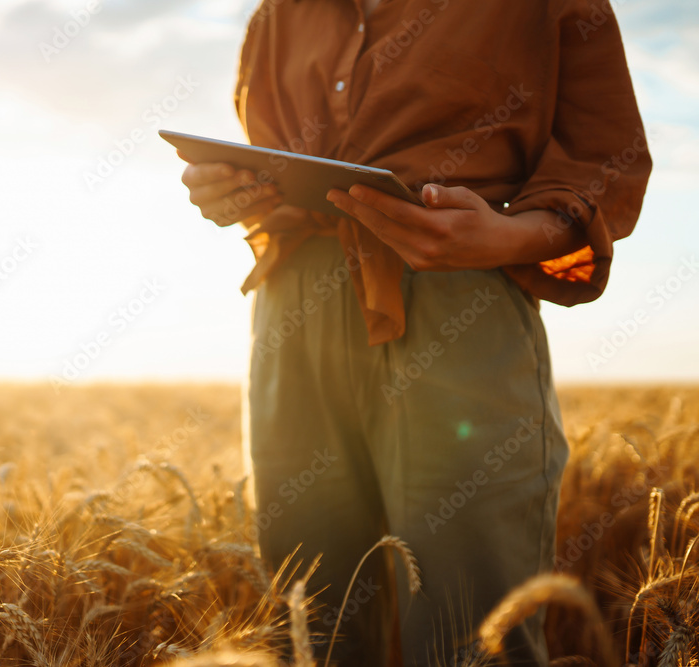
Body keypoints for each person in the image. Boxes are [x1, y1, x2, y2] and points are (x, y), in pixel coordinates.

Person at [176, 0, 651, 665]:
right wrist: (229, 192)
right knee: (312, 625)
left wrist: (504, 235)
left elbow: (606, 163)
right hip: (292, 311)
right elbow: (268, 167)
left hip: (454, 299)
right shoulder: (277, 13)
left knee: (472, 630)